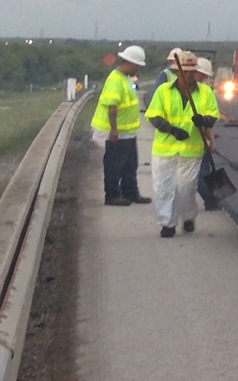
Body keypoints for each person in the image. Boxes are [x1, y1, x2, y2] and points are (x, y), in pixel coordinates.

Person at [144, 49, 221, 237]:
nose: (187, 75)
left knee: (185, 189)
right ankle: (167, 223)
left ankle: (188, 216)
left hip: (191, 150)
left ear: (196, 72)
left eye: (191, 72)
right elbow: (153, 115)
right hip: (165, 149)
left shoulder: (205, 92)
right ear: (177, 72)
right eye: (183, 71)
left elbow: (213, 115)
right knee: (163, 188)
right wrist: (171, 129)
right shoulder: (163, 91)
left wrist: (204, 120)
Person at [93, 45, 148, 206]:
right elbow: (112, 106)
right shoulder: (115, 80)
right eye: (137, 65)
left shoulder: (126, 79)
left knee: (130, 164)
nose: (138, 69)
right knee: (114, 164)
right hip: (118, 131)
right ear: (129, 63)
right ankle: (112, 195)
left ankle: (131, 193)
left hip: (128, 130)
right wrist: (114, 129)